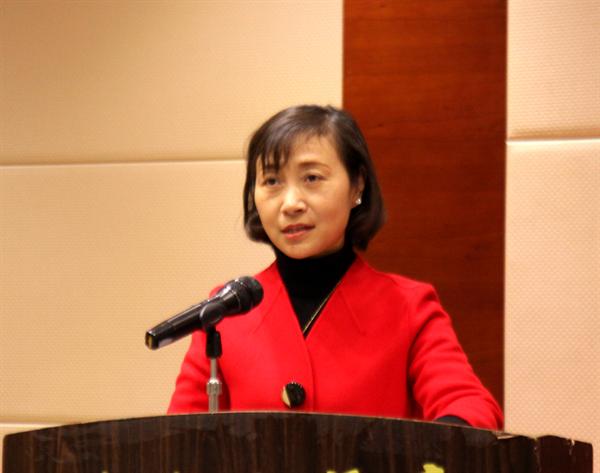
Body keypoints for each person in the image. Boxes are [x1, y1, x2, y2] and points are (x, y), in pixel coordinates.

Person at [168, 105, 503, 430]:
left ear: (357, 185)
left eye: (312, 178)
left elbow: (471, 407)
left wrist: (431, 452)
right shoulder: (225, 312)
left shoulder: (409, 308)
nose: (291, 204)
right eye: (271, 181)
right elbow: (175, 438)